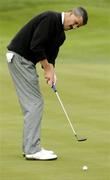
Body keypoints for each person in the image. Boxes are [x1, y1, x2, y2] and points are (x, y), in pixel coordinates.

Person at [6, 7, 88, 160]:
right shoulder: (51, 18)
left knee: (34, 103)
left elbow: (50, 57)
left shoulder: (61, 36)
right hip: (19, 58)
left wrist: (52, 72)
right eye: (75, 23)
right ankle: (32, 149)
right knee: (35, 103)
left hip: (25, 62)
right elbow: (36, 45)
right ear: (70, 13)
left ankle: (30, 147)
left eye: (78, 26)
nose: (74, 27)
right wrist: (46, 68)